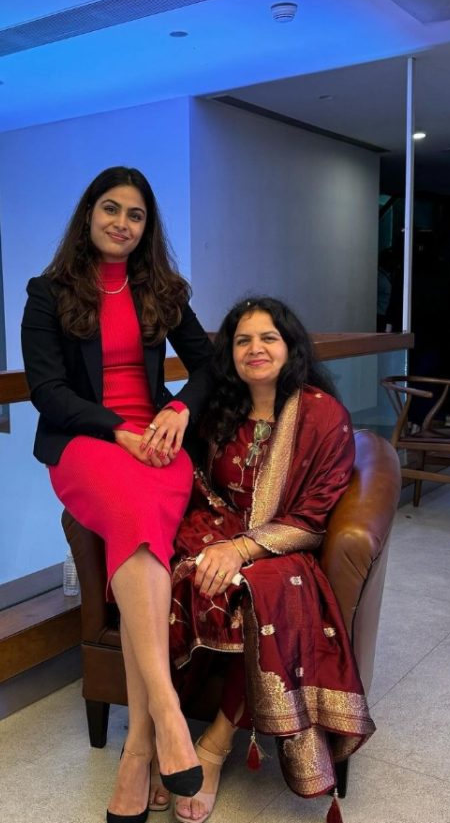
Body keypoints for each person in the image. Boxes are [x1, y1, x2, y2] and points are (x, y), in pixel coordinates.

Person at [21, 166, 215, 822]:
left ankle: (138, 750)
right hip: (87, 444)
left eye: (135, 215)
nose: (122, 223)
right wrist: (117, 430)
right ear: (89, 214)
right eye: (111, 209)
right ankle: (167, 713)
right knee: (135, 516)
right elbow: (48, 392)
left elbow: (209, 366)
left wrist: (180, 409)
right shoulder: (48, 293)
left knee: (140, 538)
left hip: (157, 446)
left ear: (146, 227)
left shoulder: (161, 289)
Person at [165, 296, 372, 823]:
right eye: (242, 340)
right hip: (214, 528)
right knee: (176, 578)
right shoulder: (218, 410)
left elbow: (314, 515)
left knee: (261, 592)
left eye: (267, 338)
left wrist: (241, 549)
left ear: (290, 346)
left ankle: (213, 746)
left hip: (283, 546)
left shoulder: (322, 415)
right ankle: (159, 735)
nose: (254, 349)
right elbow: (194, 482)